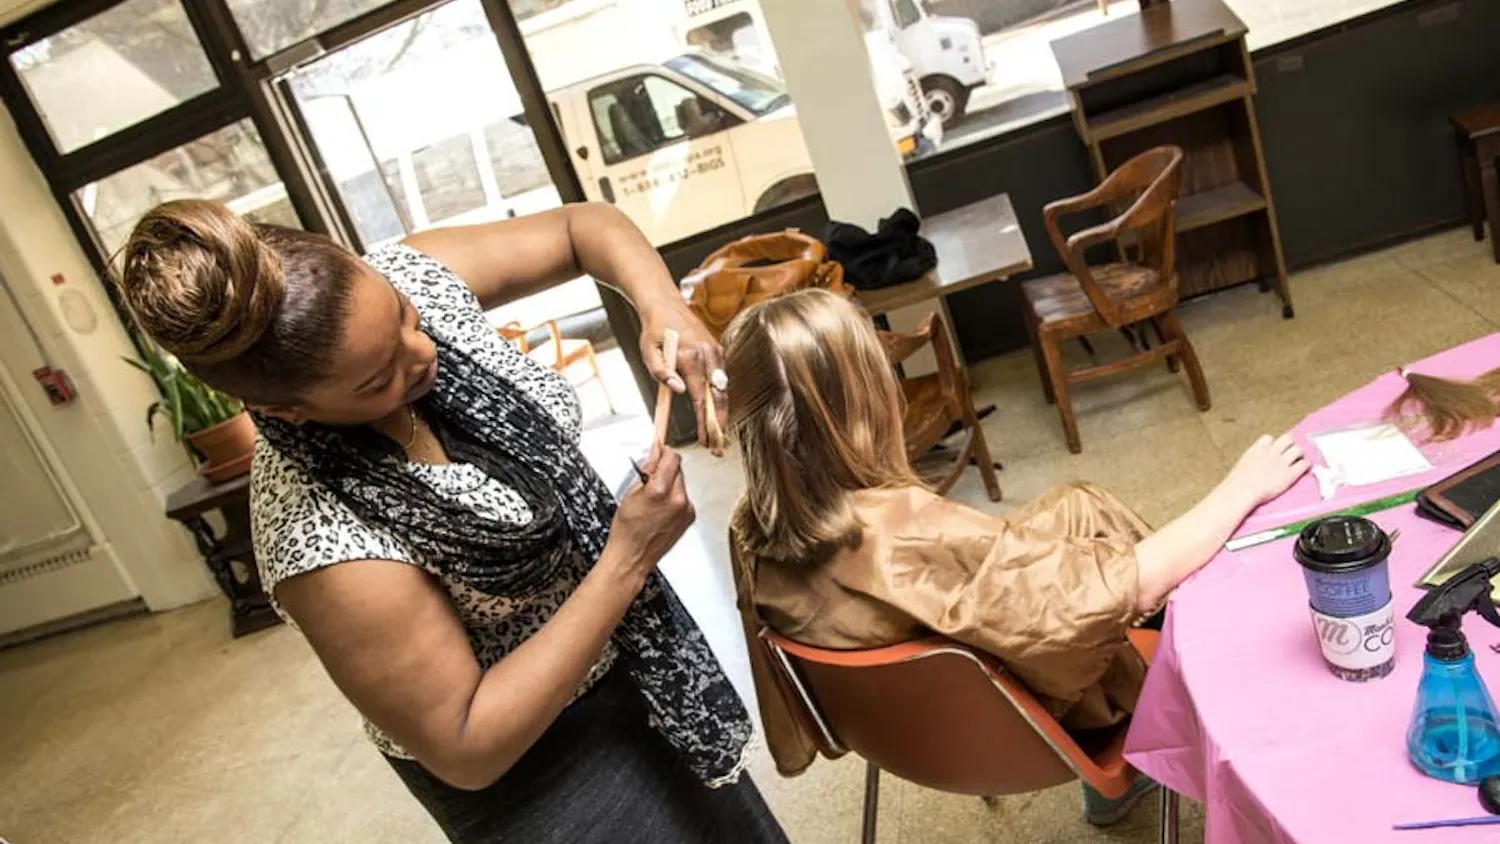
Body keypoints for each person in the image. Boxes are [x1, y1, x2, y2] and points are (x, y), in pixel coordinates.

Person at [117, 199, 789, 844]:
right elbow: (467, 746)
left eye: (405, 318)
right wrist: (626, 561)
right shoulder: (317, 538)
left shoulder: (410, 273)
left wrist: (663, 307)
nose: (422, 354)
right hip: (540, 770)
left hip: (634, 665)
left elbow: (586, 226)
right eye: (378, 379)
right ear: (290, 410)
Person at [722, 290, 1309, 823]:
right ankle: (1210, 724)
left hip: (907, 726)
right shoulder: (908, 534)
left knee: (1081, 507)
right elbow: (1129, 588)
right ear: (862, 405)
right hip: (1033, 719)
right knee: (1153, 581)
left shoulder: (752, 531)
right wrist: (1241, 487)